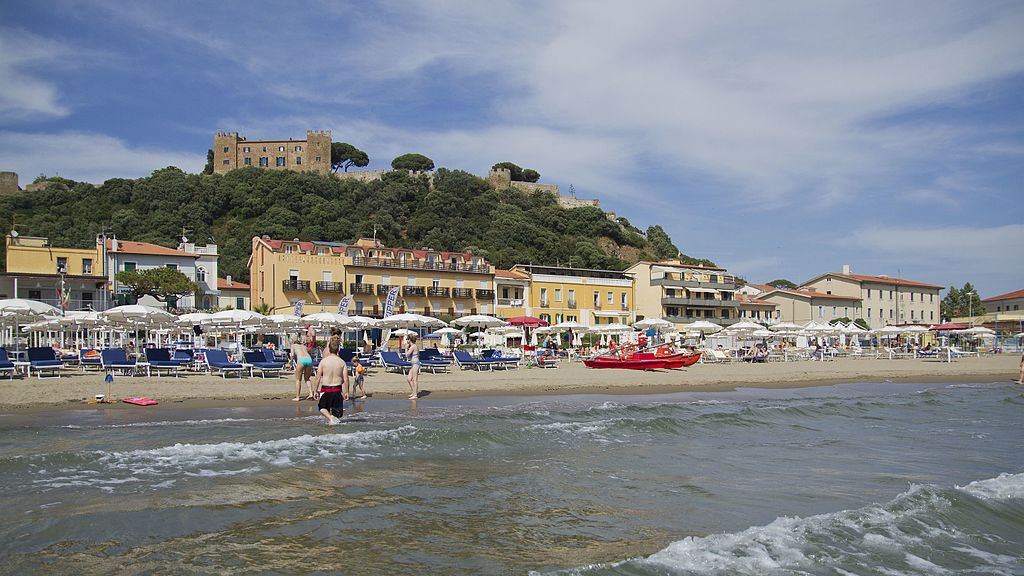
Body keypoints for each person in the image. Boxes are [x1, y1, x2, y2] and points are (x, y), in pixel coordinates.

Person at [315, 335, 349, 424]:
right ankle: (332, 419)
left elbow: (318, 377)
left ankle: (330, 419)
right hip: (337, 389)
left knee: (322, 408)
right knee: (336, 412)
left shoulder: (323, 361)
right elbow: (346, 379)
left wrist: (315, 390)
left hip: (325, 389)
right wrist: (347, 392)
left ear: (329, 349)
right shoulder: (342, 362)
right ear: (338, 350)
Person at [290, 333, 314, 401]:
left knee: (298, 379)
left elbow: (292, 356)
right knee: (307, 378)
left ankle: (297, 397)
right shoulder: (304, 346)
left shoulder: (293, 346)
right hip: (309, 360)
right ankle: (311, 394)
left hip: (301, 360)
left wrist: (291, 363)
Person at [405, 333, 420, 400]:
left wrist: (406, 348)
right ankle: (413, 392)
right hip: (413, 364)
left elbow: (407, 355)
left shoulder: (413, 346)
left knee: (414, 380)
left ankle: (415, 395)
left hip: (416, 364)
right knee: (409, 379)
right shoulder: (412, 346)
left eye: (407, 339)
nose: (406, 340)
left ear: (410, 340)